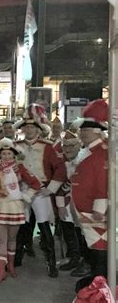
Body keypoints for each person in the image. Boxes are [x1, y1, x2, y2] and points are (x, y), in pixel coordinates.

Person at [0, 138, 41, 284]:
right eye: (3, 154)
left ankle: (10, 266)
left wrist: (26, 196)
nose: (6, 156)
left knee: (12, 239)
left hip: (15, 207)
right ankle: (0, 271)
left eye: (9, 154)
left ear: (14, 155)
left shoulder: (20, 168)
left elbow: (36, 183)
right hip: (0, 206)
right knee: (1, 240)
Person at [13, 103, 66, 278]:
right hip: (21, 190)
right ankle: (17, 257)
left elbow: (60, 169)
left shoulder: (47, 146)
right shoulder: (15, 145)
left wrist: (50, 189)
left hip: (41, 191)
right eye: (26, 127)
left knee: (44, 226)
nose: (29, 130)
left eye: (32, 127)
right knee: (21, 225)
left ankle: (51, 263)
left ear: (38, 129)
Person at [69, 99, 108, 292]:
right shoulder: (88, 150)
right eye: (81, 129)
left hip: (96, 214)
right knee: (93, 249)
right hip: (85, 211)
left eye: (86, 129)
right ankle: (97, 281)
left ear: (97, 131)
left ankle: (101, 288)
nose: (82, 133)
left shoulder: (102, 152)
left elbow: (104, 181)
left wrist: (99, 208)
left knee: (100, 251)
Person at [55, 130, 89, 275]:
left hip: (86, 203)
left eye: (71, 146)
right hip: (68, 202)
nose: (68, 149)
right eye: (65, 146)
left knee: (85, 234)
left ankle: (87, 262)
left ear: (79, 145)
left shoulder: (86, 160)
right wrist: (61, 206)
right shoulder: (60, 161)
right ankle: (75, 258)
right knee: (69, 230)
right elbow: (58, 184)